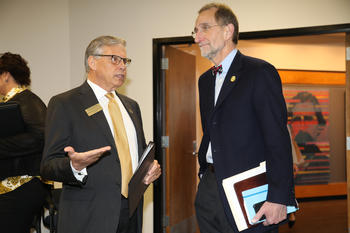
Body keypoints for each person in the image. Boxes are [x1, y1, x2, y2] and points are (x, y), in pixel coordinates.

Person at [192, 3, 296, 233]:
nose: (197, 37)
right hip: (210, 188)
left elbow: (277, 140)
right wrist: (203, 174)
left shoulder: (259, 73)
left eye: (204, 28)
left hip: (250, 190)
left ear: (228, 31)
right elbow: (211, 131)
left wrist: (279, 198)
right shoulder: (205, 81)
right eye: (195, 31)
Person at [40, 35, 161, 233]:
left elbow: (132, 160)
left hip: (130, 214)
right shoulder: (65, 104)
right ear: (92, 62)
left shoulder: (131, 107)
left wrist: (147, 172)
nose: (122, 66)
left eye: (125, 61)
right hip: (89, 218)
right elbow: (48, 166)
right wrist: (74, 166)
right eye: (115, 59)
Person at [0, 52, 49, 233]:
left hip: (22, 186)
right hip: (11, 188)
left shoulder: (26, 99)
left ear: (5, 74)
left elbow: (40, 136)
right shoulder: (9, 103)